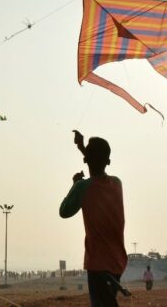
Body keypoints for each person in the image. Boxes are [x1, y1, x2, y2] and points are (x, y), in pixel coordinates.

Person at [59, 131, 127, 307]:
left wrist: (74, 184)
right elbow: (97, 164)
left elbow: (64, 211)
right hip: (117, 261)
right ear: (108, 161)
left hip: (98, 263)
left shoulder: (83, 187)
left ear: (85, 160)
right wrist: (82, 148)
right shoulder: (117, 183)